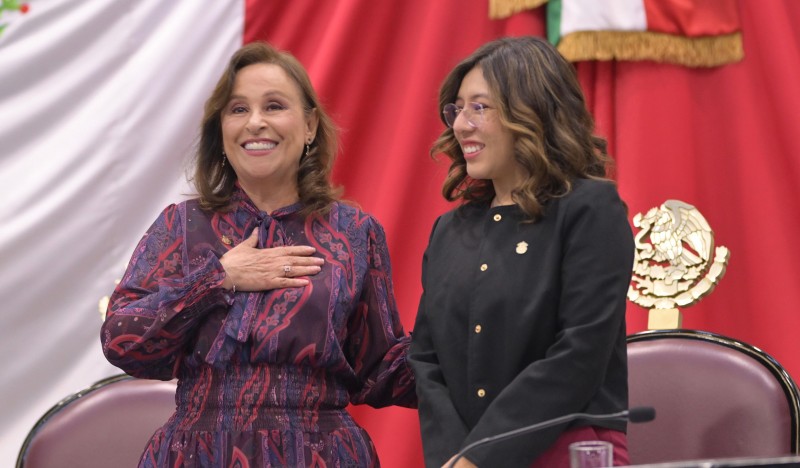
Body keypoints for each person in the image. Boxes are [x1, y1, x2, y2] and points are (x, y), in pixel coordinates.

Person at [101, 41, 415, 467]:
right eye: (238, 109)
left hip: (319, 455)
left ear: (309, 126)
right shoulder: (181, 226)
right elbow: (122, 340)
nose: (255, 122)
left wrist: (475, 343)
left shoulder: (356, 232)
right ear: (221, 130)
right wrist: (218, 279)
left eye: (274, 106)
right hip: (198, 455)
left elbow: (380, 366)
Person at [409, 36, 634, 468]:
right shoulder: (448, 231)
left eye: (479, 107)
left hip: (569, 450)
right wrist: (454, 458)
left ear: (533, 111)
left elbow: (580, 353)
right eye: (458, 109)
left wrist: (481, 457)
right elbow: (426, 359)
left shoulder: (590, 210)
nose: (461, 125)